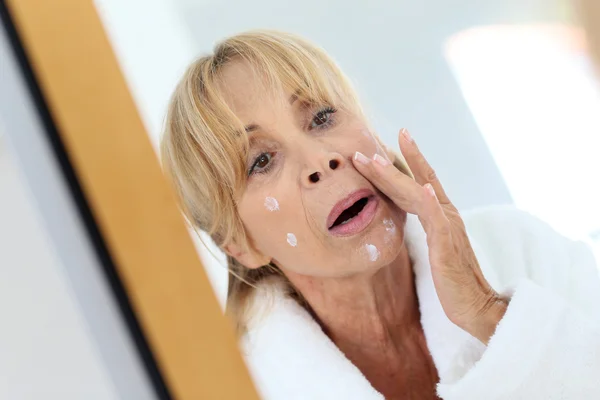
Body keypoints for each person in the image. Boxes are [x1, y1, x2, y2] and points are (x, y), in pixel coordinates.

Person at [160, 30, 600, 399]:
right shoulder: (236, 391)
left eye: (321, 117)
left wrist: (489, 315)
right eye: (261, 161)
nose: (321, 160)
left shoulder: (522, 246)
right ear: (241, 244)